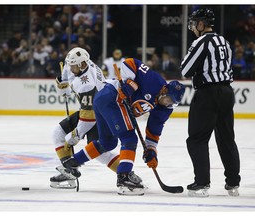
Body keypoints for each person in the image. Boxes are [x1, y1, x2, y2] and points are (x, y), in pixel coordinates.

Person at [62, 58, 185, 195]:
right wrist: (129, 83)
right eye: (168, 100)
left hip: (104, 101)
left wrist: (151, 150)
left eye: (172, 103)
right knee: (129, 138)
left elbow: (154, 130)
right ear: (164, 90)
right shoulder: (154, 80)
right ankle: (124, 177)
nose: (168, 104)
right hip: (111, 97)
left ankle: (72, 162)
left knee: (107, 143)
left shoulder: (165, 108)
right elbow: (130, 62)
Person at [181, 8, 241, 197]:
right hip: (226, 92)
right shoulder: (224, 41)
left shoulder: (201, 41)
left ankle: (202, 183)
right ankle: (233, 183)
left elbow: (186, 70)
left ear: (201, 24)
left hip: (208, 93)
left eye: (194, 23)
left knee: (197, 139)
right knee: (226, 139)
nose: (192, 27)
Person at [50, 47, 121, 189]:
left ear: (82, 64)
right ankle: (70, 171)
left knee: (99, 153)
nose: (70, 68)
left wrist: (75, 137)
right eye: (70, 65)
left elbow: (89, 118)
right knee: (57, 133)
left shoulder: (87, 83)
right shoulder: (82, 63)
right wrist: (63, 85)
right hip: (90, 110)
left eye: (73, 66)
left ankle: (125, 173)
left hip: (99, 115)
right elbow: (66, 72)